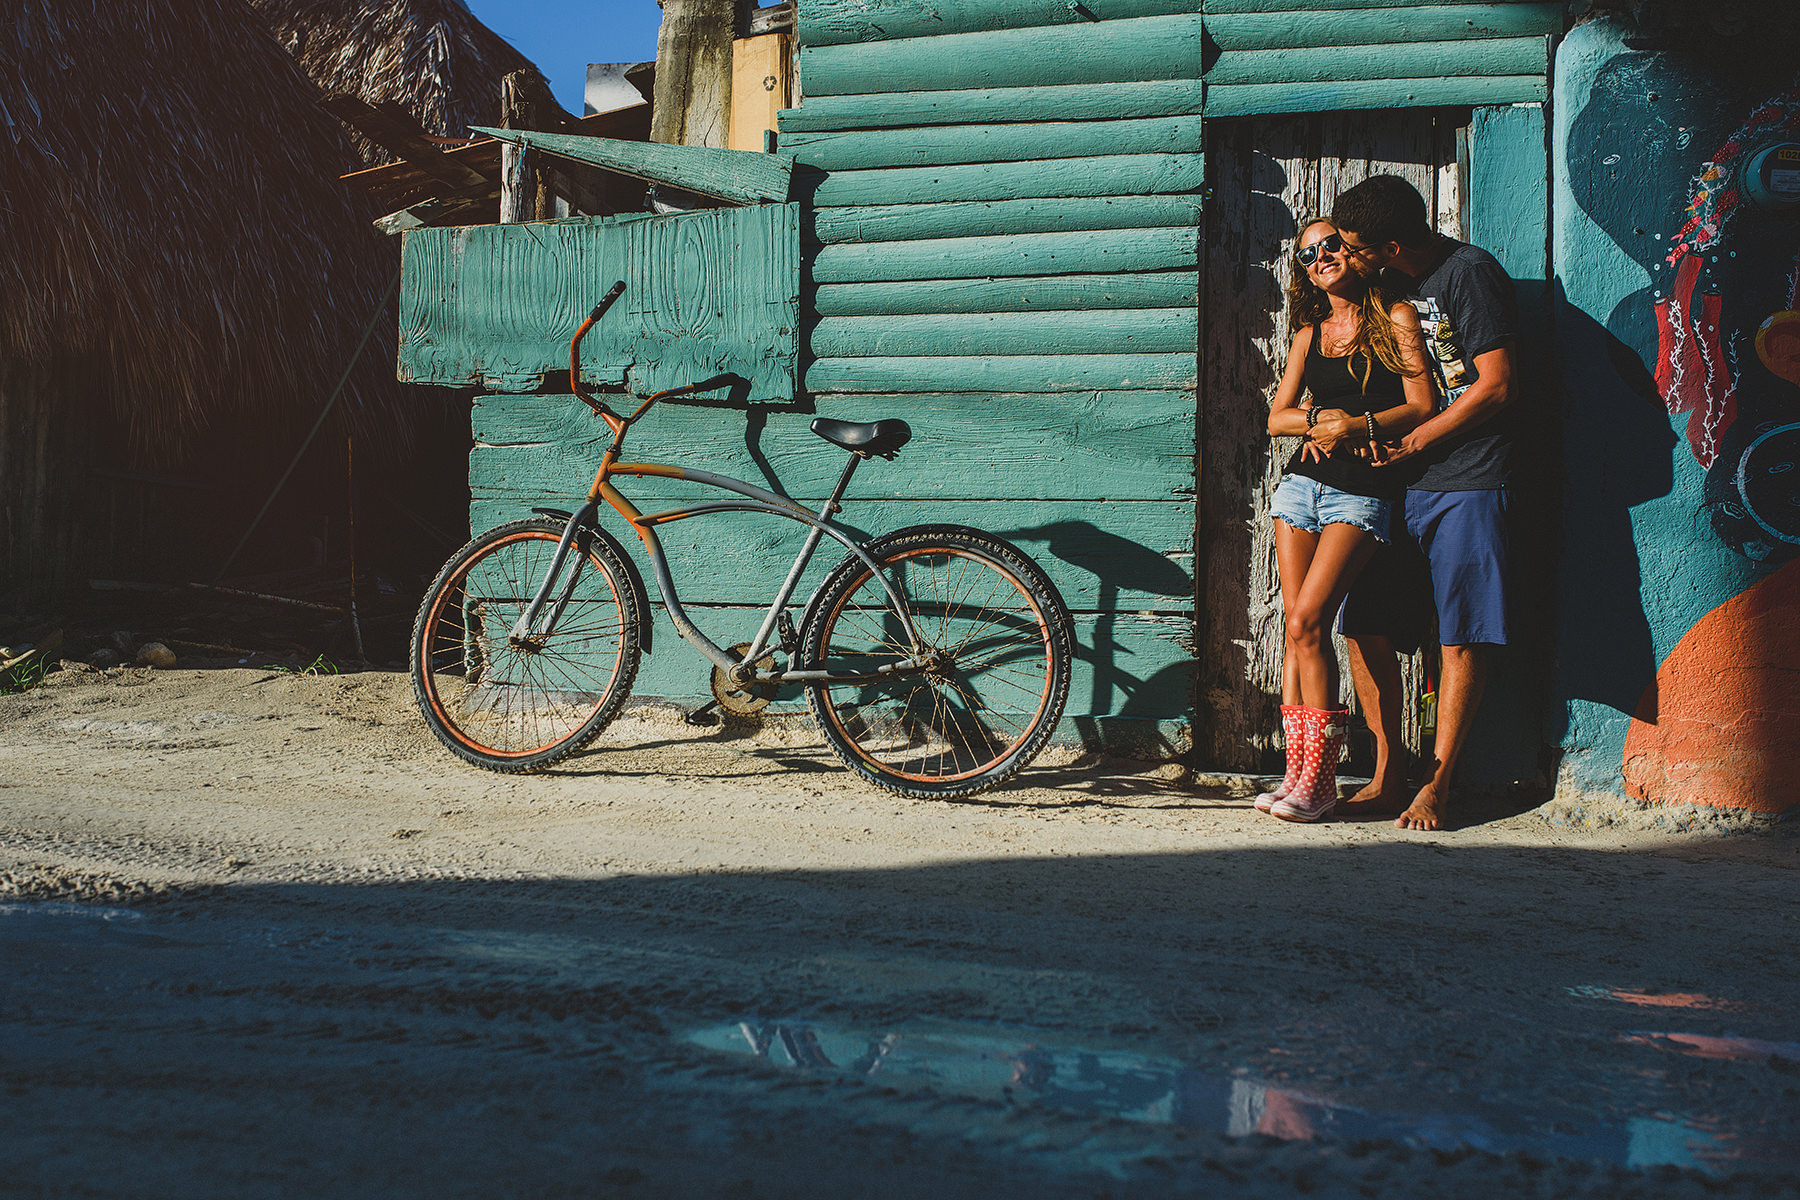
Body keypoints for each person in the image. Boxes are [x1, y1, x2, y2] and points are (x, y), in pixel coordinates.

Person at [1330, 175, 1520, 831]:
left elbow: (1497, 385)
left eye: (1355, 247)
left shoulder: (1469, 274)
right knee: (1362, 619)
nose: (1347, 255)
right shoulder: (1385, 285)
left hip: (1469, 479)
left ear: (1390, 246)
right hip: (1397, 486)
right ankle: (1388, 778)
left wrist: (1416, 440)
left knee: (1460, 634)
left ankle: (1436, 788)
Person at [1256, 220, 1435, 823]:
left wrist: (1355, 425)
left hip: (1362, 492)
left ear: (1354, 252)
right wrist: (1318, 421)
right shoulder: (1309, 336)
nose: (1320, 258)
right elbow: (1276, 418)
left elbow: (1422, 404)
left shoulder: (1396, 319)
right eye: (1307, 255)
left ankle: (1322, 780)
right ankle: (1297, 775)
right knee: (1296, 629)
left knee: (1310, 619)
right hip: (1301, 487)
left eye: (1329, 245)